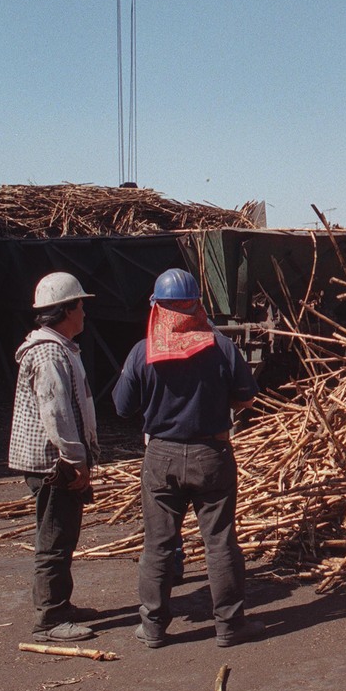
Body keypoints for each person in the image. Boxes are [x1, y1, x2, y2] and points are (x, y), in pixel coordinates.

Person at [112, 268, 261, 648]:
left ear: (156, 308)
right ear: (197, 305)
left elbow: (122, 407)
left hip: (160, 455)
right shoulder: (221, 346)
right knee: (220, 542)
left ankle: (153, 628)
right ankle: (229, 626)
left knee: (159, 545)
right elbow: (247, 396)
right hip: (211, 453)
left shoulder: (142, 351)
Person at [8, 271, 99, 643]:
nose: (84, 313)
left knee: (62, 535)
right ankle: (49, 618)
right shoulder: (48, 353)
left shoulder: (59, 348)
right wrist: (75, 459)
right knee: (55, 539)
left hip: (56, 460)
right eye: (80, 306)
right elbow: (56, 412)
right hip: (52, 463)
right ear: (65, 311)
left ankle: (59, 604)